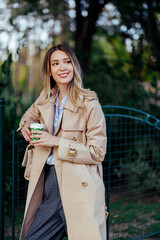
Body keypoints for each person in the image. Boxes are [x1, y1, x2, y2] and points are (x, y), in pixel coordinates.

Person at [18, 44, 107, 240]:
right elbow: (27, 117)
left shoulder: (89, 103)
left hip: (78, 183)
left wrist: (57, 141)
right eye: (55, 63)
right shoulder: (46, 97)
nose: (62, 67)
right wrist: (25, 125)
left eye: (67, 62)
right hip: (49, 180)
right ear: (50, 70)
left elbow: (98, 152)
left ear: (74, 66)